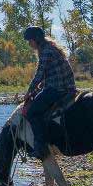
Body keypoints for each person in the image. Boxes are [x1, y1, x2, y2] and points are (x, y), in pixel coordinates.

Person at [20, 25, 76, 158]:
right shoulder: (50, 48)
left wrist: (28, 92)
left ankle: (41, 146)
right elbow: (51, 73)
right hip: (64, 86)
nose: (29, 44)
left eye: (30, 41)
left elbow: (39, 74)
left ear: (36, 39)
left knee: (32, 112)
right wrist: (38, 88)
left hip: (58, 89)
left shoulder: (45, 52)